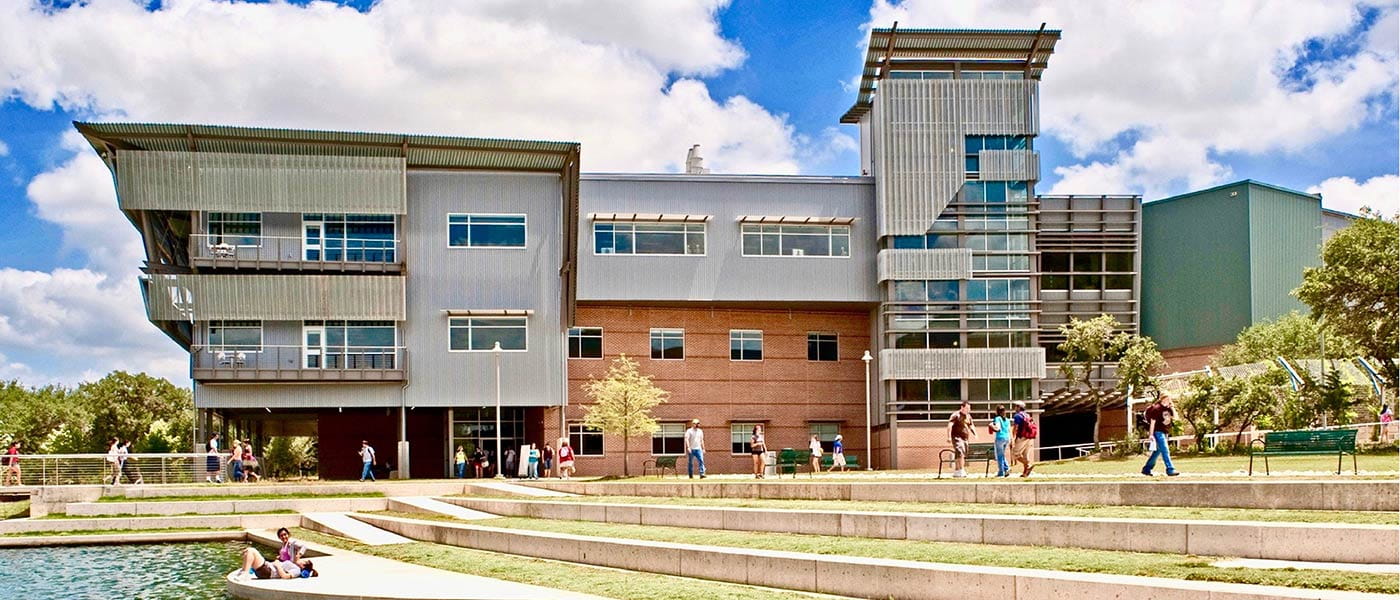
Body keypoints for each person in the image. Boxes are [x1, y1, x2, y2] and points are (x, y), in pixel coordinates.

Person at [1142, 393, 1180, 477]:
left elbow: (1176, 418)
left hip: (1165, 432)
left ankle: (1146, 469)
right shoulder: (1157, 408)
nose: (1168, 400)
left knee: (1157, 452)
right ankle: (1170, 469)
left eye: (1169, 399)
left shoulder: (1169, 408)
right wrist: (1151, 435)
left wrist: (1172, 407)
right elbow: (1152, 423)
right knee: (1165, 450)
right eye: (1166, 399)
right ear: (1162, 399)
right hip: (1158, 432)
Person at [235, 546, 317, 580]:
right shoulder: (294, 565)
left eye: (303, 560)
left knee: (251, 551)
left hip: (268, 571)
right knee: (247, 552)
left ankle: (244, 574)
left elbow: (285, 576)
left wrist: (278, 565)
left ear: (303, 565)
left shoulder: (297, 570)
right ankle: (243, 572)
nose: (301, 559)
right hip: (266, 568)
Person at [947, 402, 977, 478]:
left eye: (969, 409)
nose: (968, 410)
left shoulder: (968, 416)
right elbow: (950, 426)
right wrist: (949, 437)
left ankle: (957, 470)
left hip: (965, 438)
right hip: (956, 437)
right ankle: (961, 470)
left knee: (961, 454)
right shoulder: (956, 415)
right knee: (960, 451)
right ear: (962, 407)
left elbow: (971, 425)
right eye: (967, 408)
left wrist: (975, 434)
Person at [1011, 401, 1036, 478]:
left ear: (1019, 407)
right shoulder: (1028, 415)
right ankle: (1025, 473)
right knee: (1025, 455)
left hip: (1022, 437)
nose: (1014, 408)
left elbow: (1015, 428)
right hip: (1030, 437)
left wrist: (1013, 438)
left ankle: (1028, 465)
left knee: (1015, 454)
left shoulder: (1017, 416)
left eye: (1015, 406)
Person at [991, 406, 1012, 478]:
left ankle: (1001, 472)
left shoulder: (997, 418)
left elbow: (998, 428)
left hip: (1000, 438)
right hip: (1007, 438)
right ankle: (1006, 468)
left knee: (999, 455)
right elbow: (1009, 430)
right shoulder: (1007, 420)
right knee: (1002, 454)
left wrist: (991, 426)